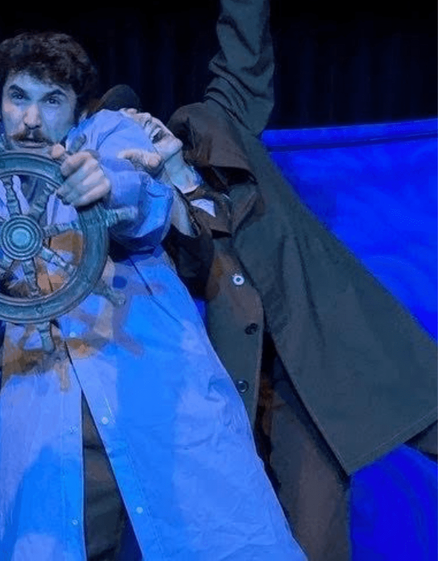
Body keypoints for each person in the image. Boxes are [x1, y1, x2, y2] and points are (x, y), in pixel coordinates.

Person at [0, 31, 304, 560]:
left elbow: (145, 198)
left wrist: (104, 187)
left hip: (153, 393)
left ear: (79, 110)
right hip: (48, 417)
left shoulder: (108, 137)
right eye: (18, 97)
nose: (30, 119)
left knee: (221, 539)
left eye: (51, 100)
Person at [99, 0, 437, 558]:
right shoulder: (142, 234)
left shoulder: (219, 128)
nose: (142, 120)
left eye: (138, 112)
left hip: (339, 344)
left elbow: (242, 56)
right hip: (264, 398)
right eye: (123, 127)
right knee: (307, 538)